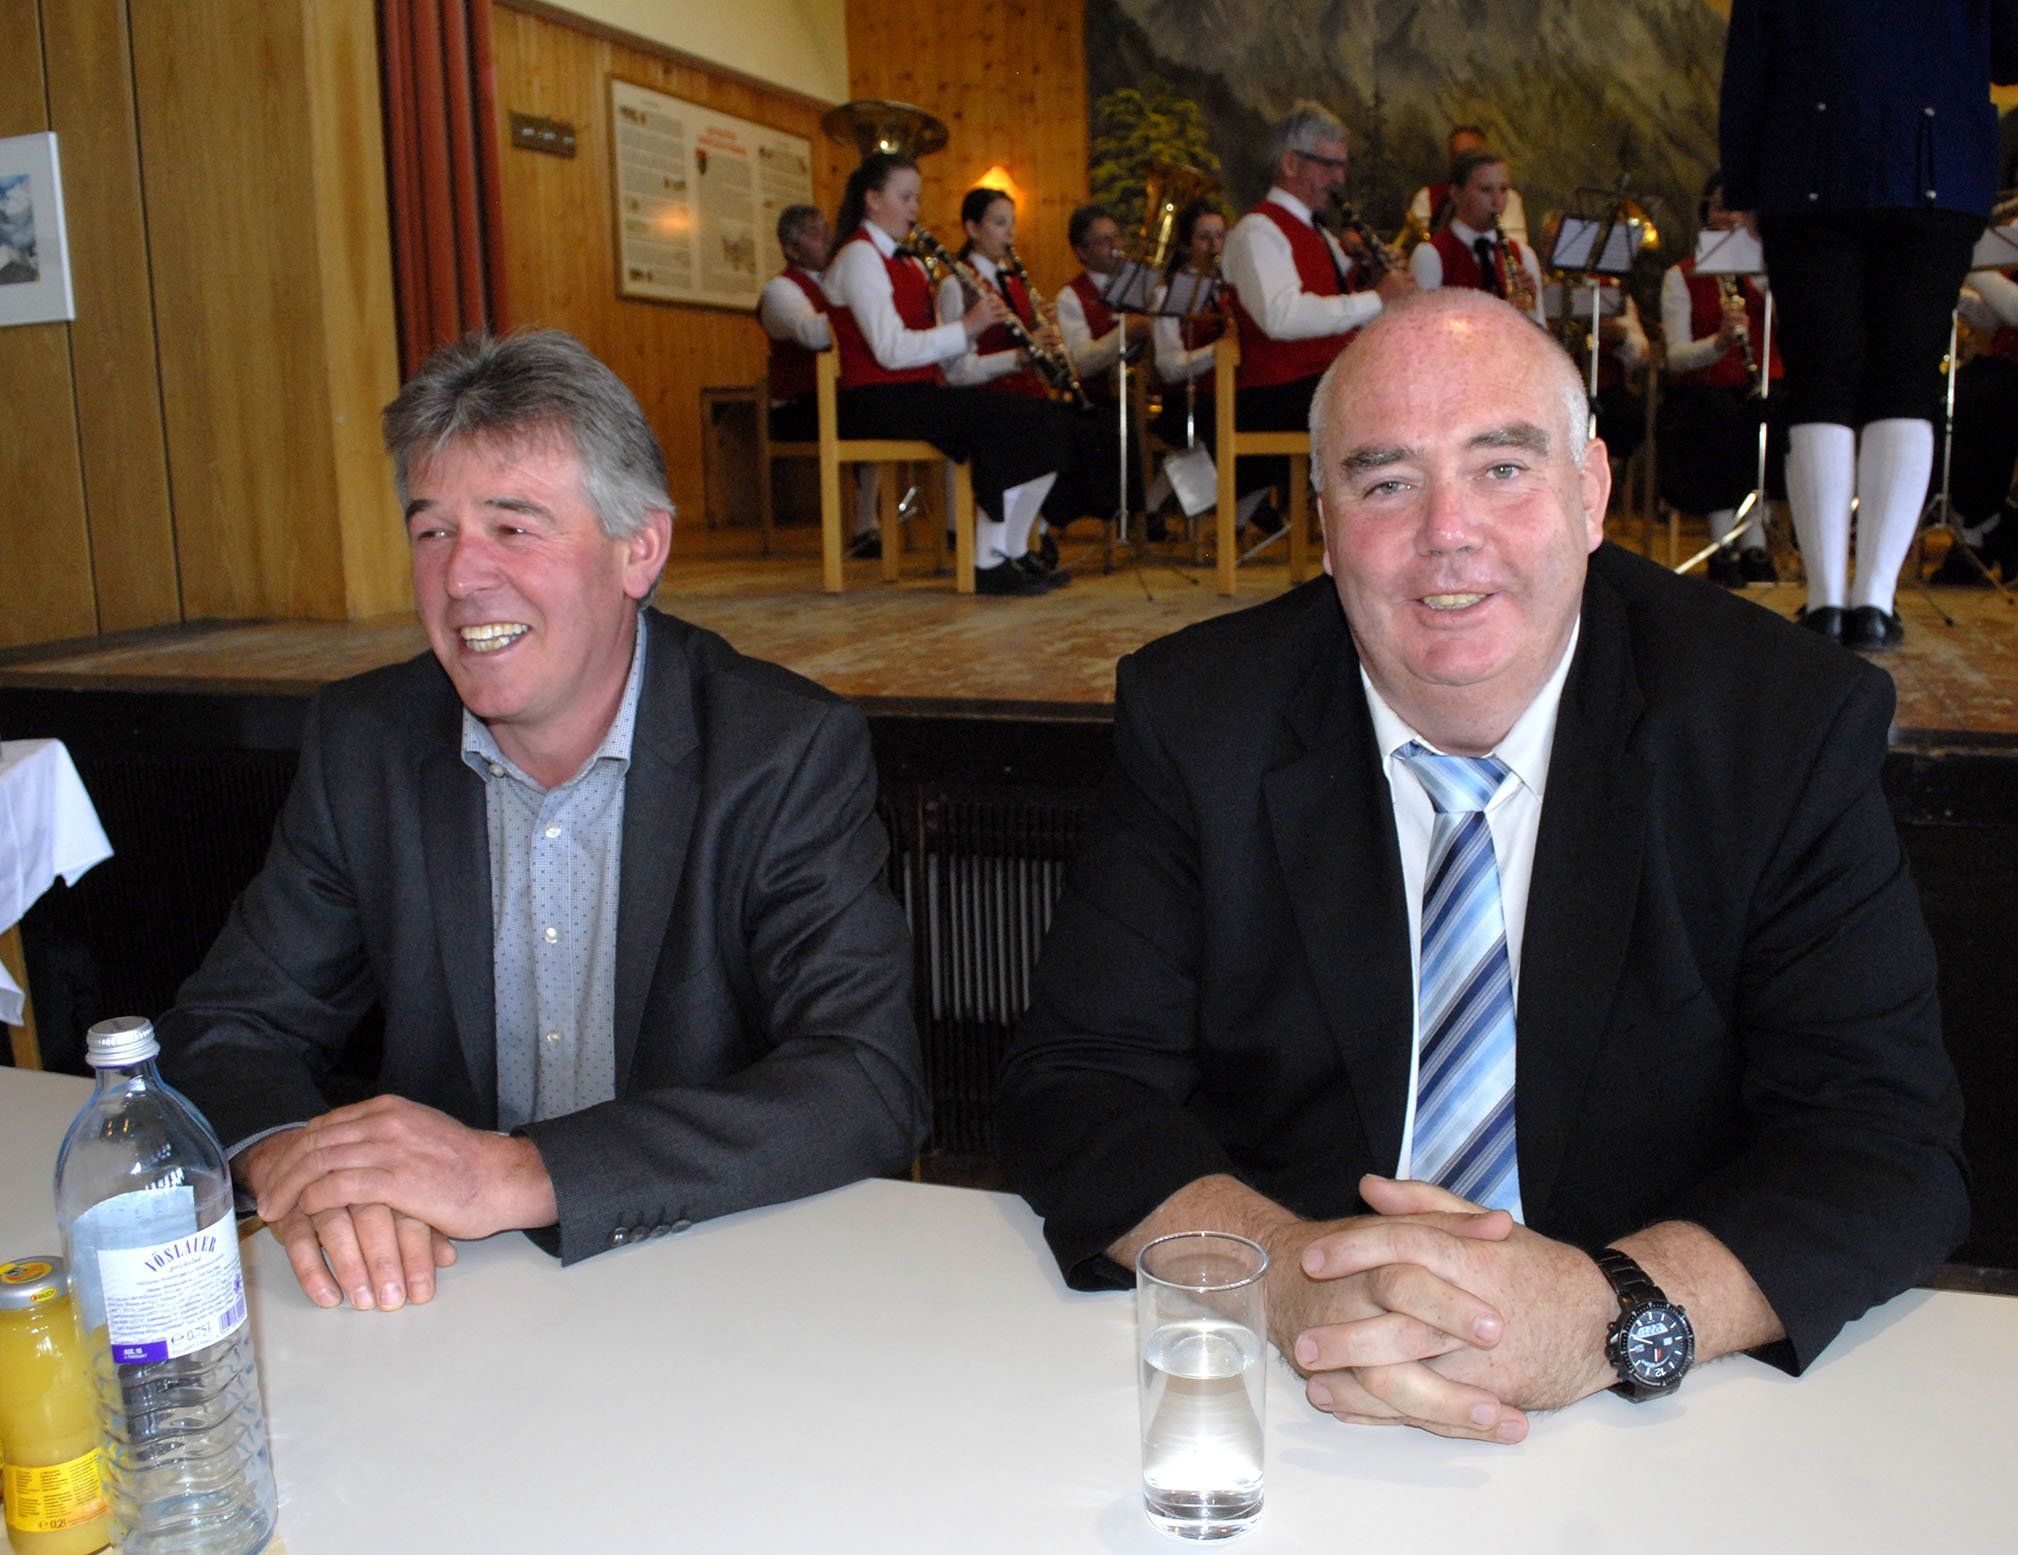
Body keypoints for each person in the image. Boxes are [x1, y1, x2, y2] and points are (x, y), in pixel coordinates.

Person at [997, 289, 1966, 1445]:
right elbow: (1077, 1080)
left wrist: (1613, 1312)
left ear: (1589, 491)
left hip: (1662, 1419)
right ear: (1323, 522)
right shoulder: (1200, 715)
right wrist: (1283, 1273)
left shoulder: (1779, 725)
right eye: (1384, 482)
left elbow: (1882, 1138)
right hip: (1296, 1403)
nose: (1445, 531)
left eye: (1501, 468)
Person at [157, 330, 931, 1312]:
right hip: (451, 1299)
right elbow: (226, 1027)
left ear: (639, 549)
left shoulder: (779, 751)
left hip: (717, 1284)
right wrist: (300, 1162)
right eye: (432, 532)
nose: (461, 576)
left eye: (513, 527)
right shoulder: (369, 742)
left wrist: (512, 1174)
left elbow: (864, 1081)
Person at [1719, 0, 2017, 648]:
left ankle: (1827, 602)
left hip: (1810, 167)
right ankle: (1875, 605)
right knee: (1907, 381)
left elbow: (1750, 61)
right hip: (1938, 166)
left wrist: (1742, 184)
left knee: (1820, 380)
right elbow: (2008, 53)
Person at [823, 153, 1103, 592]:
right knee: (1001, 420)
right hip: (875, 400)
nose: (915, 209)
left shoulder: (910, 262)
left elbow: (936, 348)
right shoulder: (859, 256)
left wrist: (980, 333)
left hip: (914, 392)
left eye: (917, 198)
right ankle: (988, 561)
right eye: (905, 198)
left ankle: (1013, 550)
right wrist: (968, 326)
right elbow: (890, 349)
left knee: (1050, 420)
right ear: (873, 200)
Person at [1221, 102, 1416, 524]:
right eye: (1329, 165)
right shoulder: (1257, 231)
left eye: (1342, 166)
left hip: (1316, 384)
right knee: (1392, 402)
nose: (1339, 178)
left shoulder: (1320, 233)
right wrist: (1378, 298)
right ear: (1291, 163)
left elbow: (1341, 305)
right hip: (1277, 393)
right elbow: (1280, 316)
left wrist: (1374, 274)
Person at [1658, 172, 1786, 586]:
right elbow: (1677, 357)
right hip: (1705, 391)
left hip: (1762, 386)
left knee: (1779, 414)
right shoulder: (1682, 275)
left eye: (1738, 208)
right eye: (1720, 207)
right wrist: (1719, 343)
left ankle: (1756, 541)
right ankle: (1725, 544)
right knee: (1721, 419)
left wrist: (1767, 283)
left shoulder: (1771, 272)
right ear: (1706, 213)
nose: (1729, 217)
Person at [757, 203, 879, 557]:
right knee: (869, 413)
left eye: (826, 229)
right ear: (791, 249)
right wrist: (864, 308)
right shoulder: (779, 290)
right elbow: (812, 334)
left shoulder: (833, 282)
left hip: (835, 397)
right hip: (797, 407)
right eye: (814, 233)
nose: (827, 238)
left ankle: (870, 524)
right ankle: (867, 526)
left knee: (878, 406)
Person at [1409, 153, 1547, 327]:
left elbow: (1541, 333)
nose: (1498, 202)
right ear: (1456, 193)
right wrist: (1503, 314)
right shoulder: (1431, 255)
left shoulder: (1524, 255)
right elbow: (1421, 329)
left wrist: (1530, 311)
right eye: (1486, 190)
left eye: (1504, 189)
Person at [1054, 203, 1155, 402]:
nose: (1116, 246)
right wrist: (1125, 334)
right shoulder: (1070, 297)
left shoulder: (1139, 285)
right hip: (1098, 402)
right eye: (1105, 241)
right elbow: (1081, 363)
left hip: (1142, 398)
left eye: (1117, 237)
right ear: (1082, 251)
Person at [1405, 124, 1530, 249]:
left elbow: (1517, 246)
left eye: (1472, 156)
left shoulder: (1509, 198)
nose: (1464, 163)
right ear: (1450, 158)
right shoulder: (1426, 197)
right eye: (1458, 155)